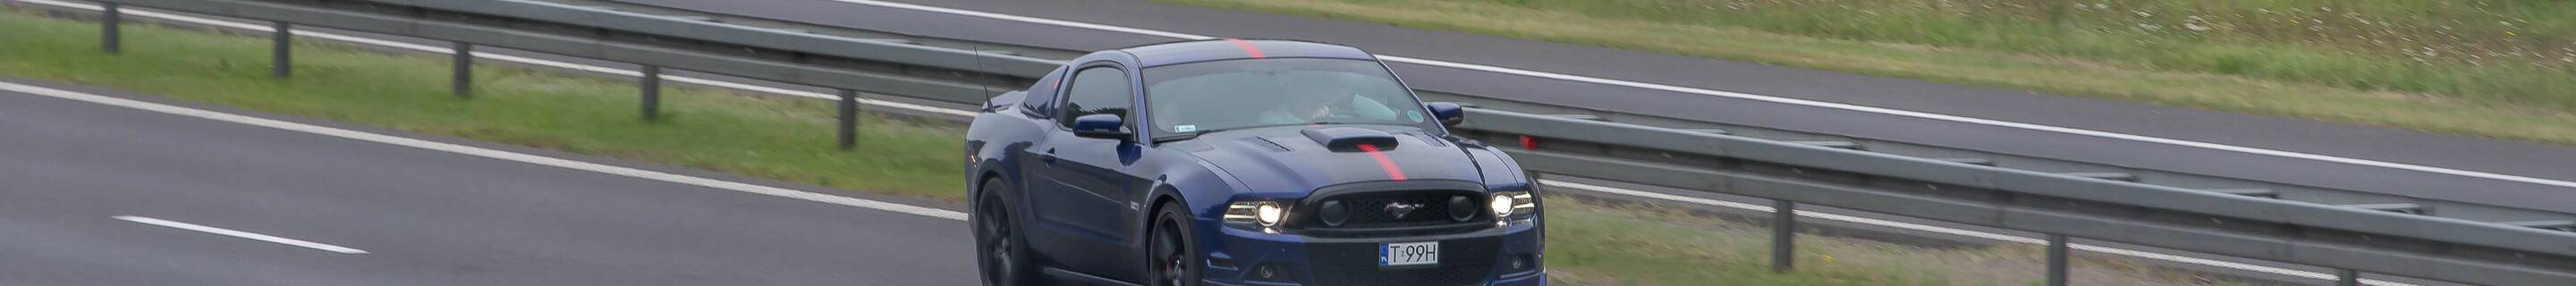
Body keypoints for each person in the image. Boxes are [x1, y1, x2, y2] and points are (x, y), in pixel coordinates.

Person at [1256, 73, 1397, 125]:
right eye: (1307, 89)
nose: (1313, 95)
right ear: (1295, 92)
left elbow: (1390, 117)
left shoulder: (1336, 116)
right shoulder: (1273, 119)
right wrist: (1311, 122)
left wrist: (1350, 98)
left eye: (1318, 90)